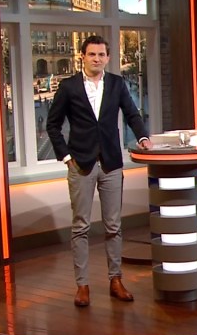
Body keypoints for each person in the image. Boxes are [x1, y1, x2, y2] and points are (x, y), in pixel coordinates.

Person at [46, 35, 152, 307]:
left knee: (114, 226)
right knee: (80, 226)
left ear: (107, 57)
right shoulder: (69, 87)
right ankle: (82, 285)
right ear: (82, 56)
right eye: (92, 54)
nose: (97, 59)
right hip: (80, 164)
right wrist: (66, 156)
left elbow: (132, 114)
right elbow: (53, 124)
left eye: (101, 54)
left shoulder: (116, 84)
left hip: (111, 163)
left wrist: (142, 137)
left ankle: (116, 280)